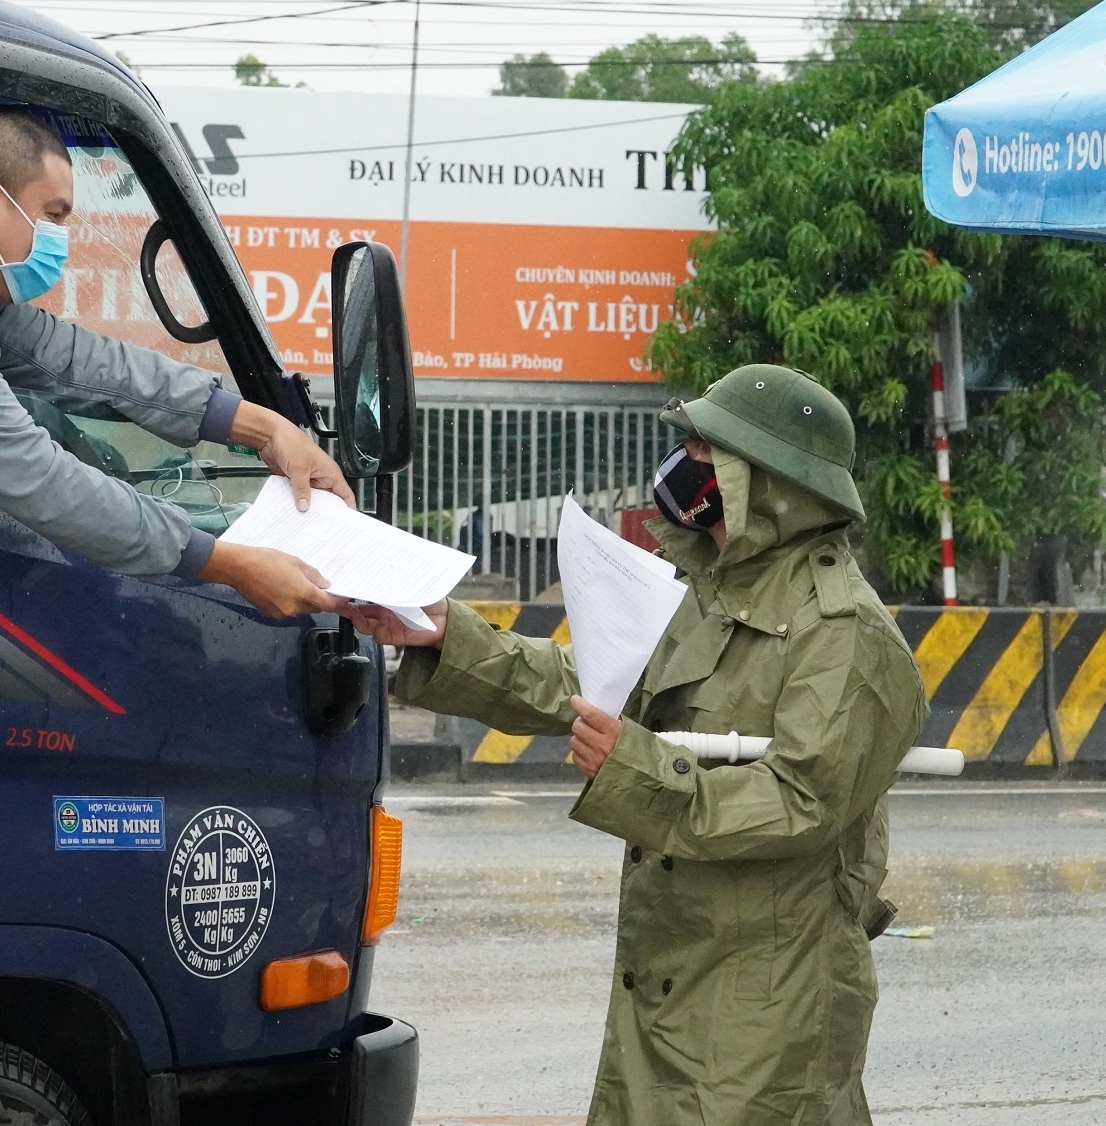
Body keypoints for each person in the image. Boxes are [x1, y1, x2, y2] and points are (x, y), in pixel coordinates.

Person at [349, 364, 927, 1125]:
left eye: (704, 447)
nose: (683, 461)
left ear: (769, 481)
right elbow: (587, 679)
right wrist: (444, 635)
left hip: (769, 995)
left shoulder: (844, 633)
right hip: (671, 969)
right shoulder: (706, 589)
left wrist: (637, 768)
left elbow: (802, 801)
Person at [0, 104, 345, 618]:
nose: (62, 241)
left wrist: (267, 428)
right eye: (53, 215)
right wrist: (226, 563)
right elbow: (37, 477)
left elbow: (83, 362)